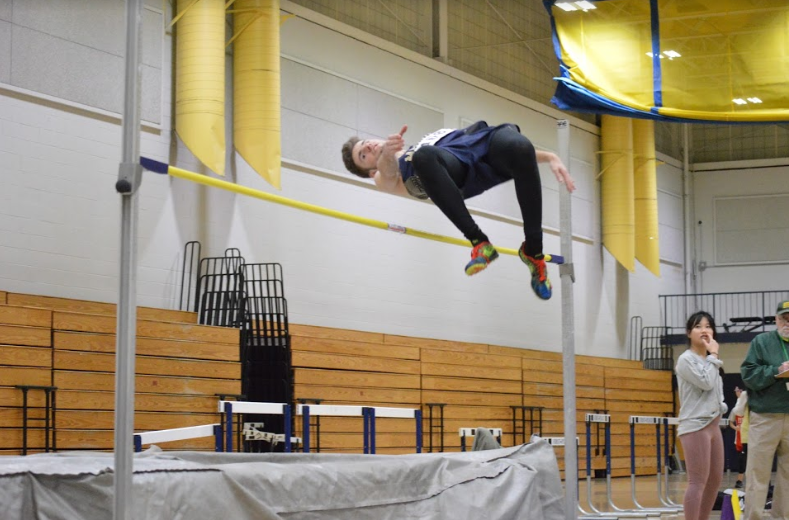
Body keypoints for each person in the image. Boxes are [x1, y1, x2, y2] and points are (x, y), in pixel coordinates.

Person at [340, 121, 575, 300]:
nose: (368, 147)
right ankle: (479, 242)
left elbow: (515, 152)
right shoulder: (383, 176)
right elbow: (390, 173)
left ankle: (533, 253)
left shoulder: (418, 144)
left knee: (518, 143)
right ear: (370, 171)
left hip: (476, 144)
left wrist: (549, 157)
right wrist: (388, 155)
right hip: (455, 170)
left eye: (365, 143)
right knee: (423, 157)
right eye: (363, 155)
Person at [740, 299, 789, 520]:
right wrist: (776, 370)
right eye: (784, 318)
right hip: (765, 417)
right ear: (776, 319)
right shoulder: (761, 341)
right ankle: (754, 517)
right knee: (757, 473)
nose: (787, 322)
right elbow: (748, 376)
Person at [675, 311, 727, 520]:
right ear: (689, 333)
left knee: (714, 480)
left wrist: (723, 407)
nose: (704, 330)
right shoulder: (685, 359)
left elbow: (716, 391)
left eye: (708, 326)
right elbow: (705, 382)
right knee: (697, 481)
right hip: (695, 426)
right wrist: (714, 356)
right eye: (698, 326)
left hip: (713, 424)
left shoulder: (709, 360)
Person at [729, 386, 749, 489]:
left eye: (740, 391)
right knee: (742, 461)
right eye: (737, 391)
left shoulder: (750, 407)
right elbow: (731, 422)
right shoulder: (736, 410)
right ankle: (739, 480)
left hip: (750, 437)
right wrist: (735, 428)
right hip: (740, 438)